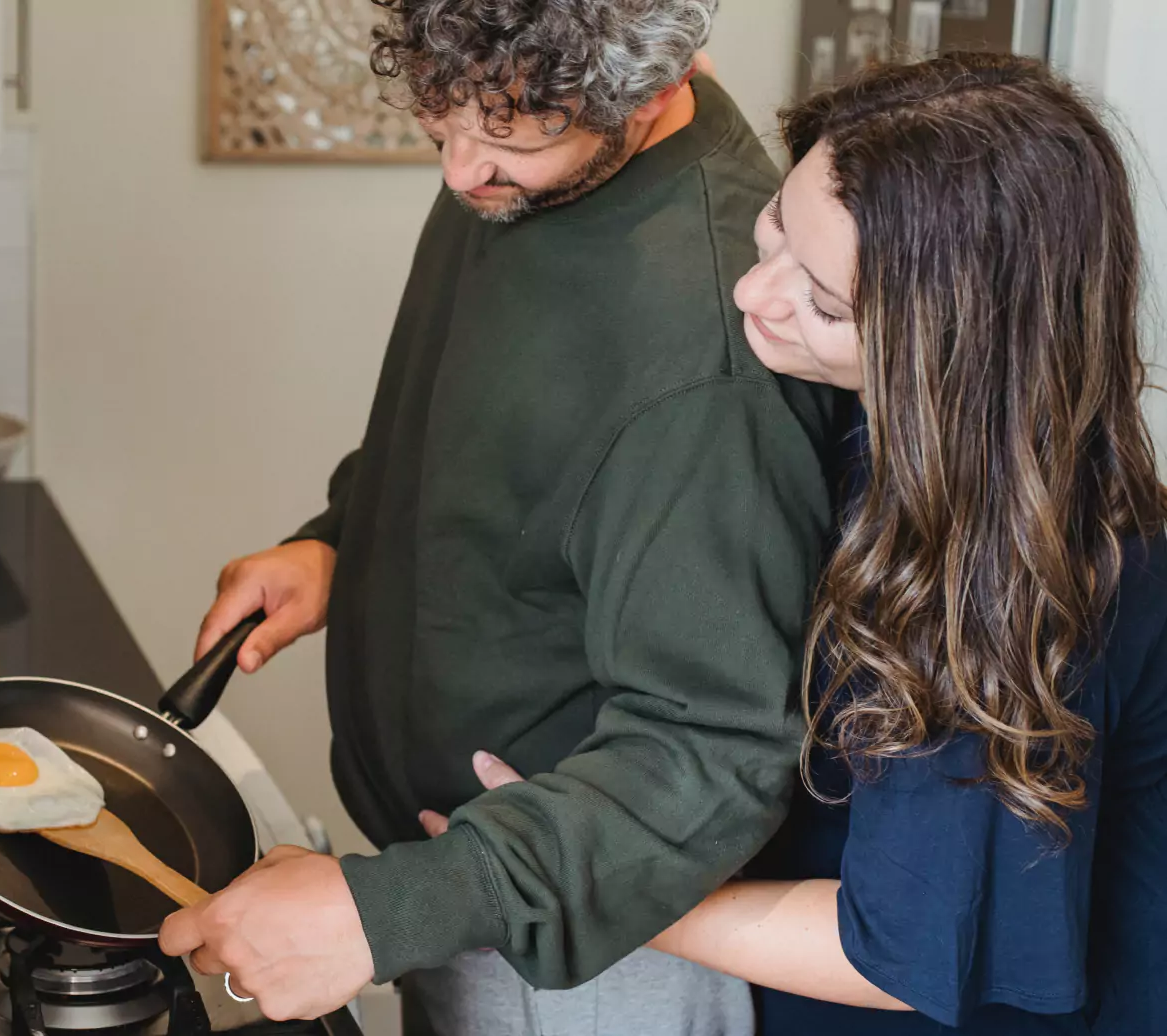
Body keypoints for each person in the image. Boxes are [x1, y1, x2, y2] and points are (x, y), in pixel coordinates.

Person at [427, 52, 1167, 1034]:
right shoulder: (859, 420)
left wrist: (579, 877)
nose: (753, 296)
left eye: (821, 302)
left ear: (955, 348)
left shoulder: (1015, 576)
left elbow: (894, 949)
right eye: (772, 225)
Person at [158, 0, 844, 1030]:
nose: (460, 171)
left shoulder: (710, 347)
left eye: (506, 141)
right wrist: (340, 540)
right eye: (441, 127)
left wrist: (398, 905)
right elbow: (494, 438)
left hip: (585, 947)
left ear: (652, 89)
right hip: (467, 887)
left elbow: (710, 751)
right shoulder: (522, 150)